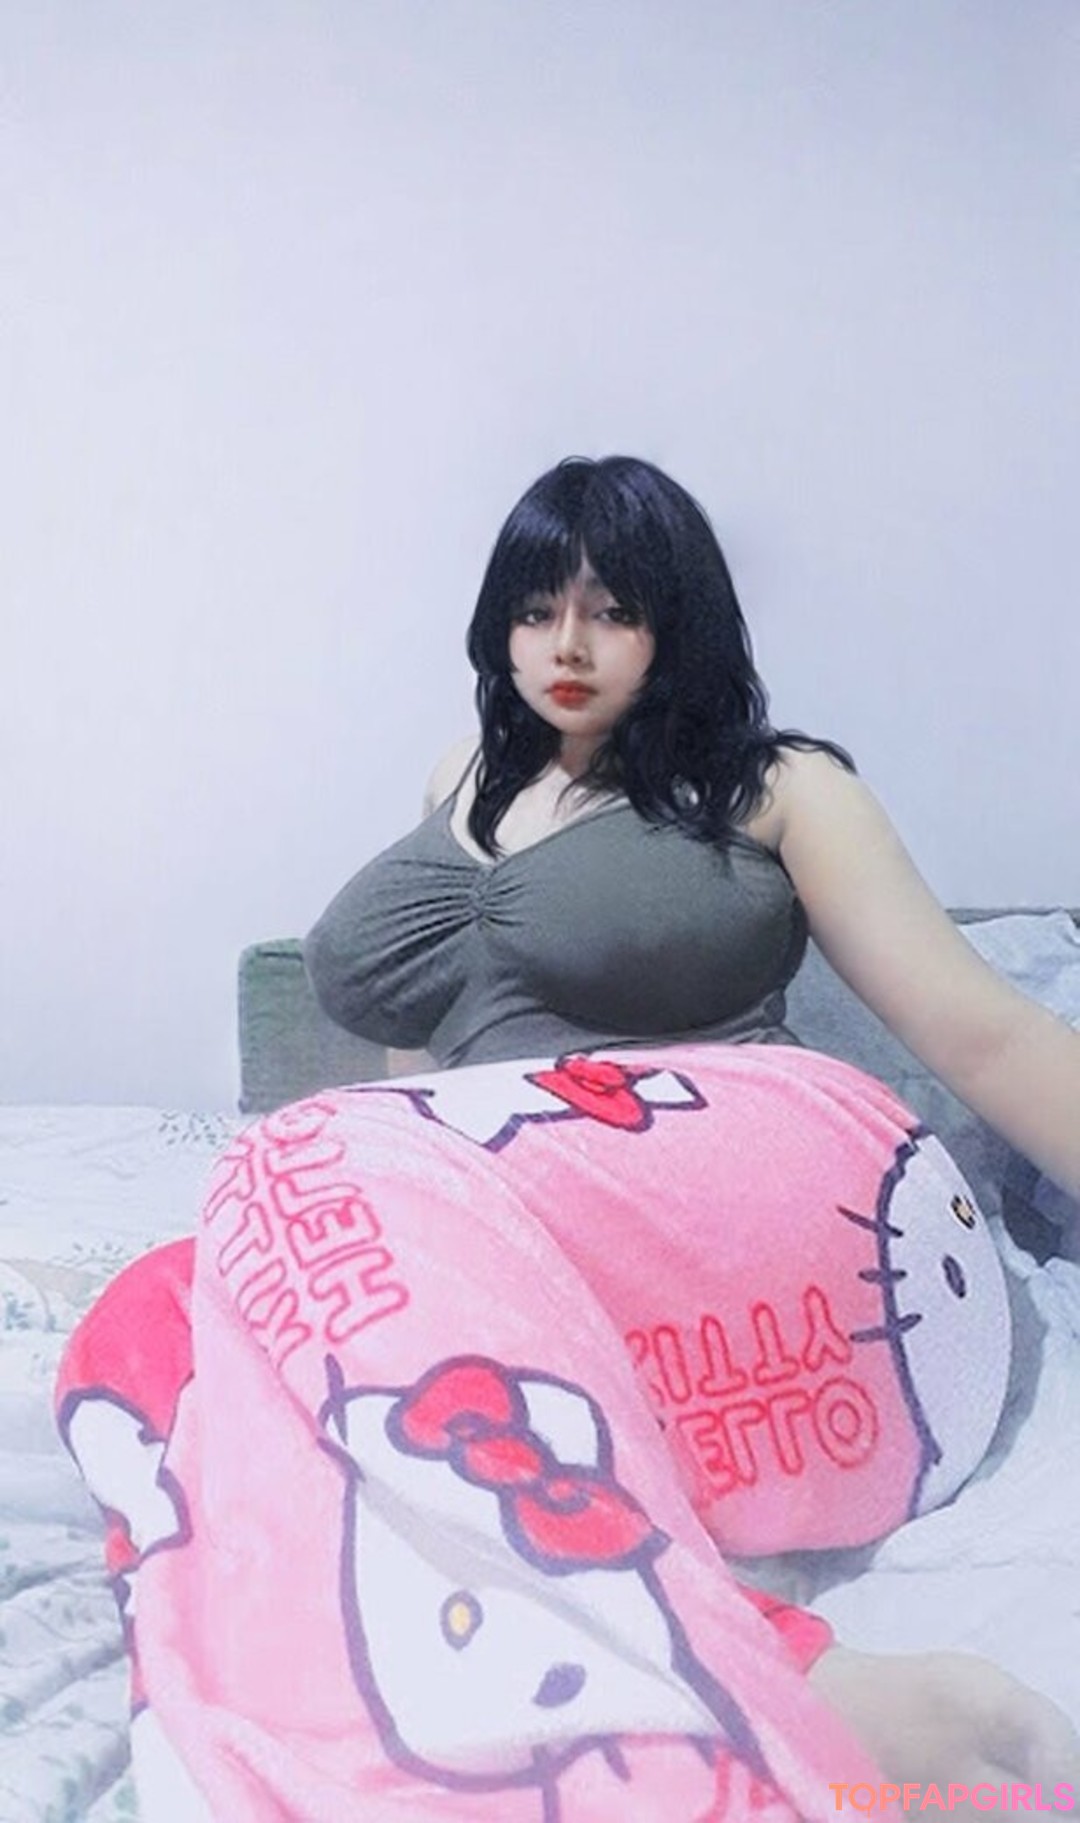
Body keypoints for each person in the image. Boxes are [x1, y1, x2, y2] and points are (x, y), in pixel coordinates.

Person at [59, 456, 1080, 1821]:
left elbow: (984, 1033)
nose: (569, 646)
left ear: (679, 621)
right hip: (523, 1204)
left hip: (752, 1174)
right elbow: (426, 1062)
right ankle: (756, 1662)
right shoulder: (464, 777)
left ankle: (755, 1688)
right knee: (152, 1321)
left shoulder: (778, 787)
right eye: (538, 610)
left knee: (291, 1167)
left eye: (612, 610)